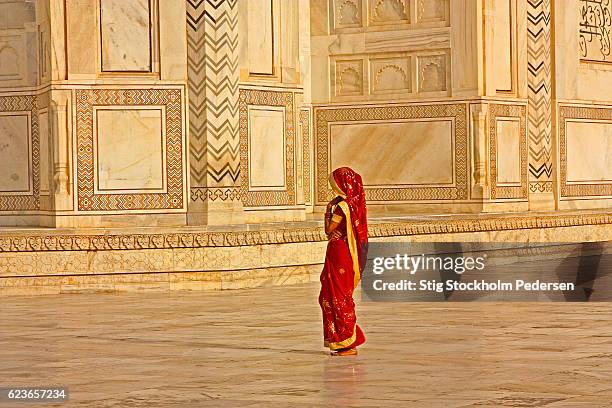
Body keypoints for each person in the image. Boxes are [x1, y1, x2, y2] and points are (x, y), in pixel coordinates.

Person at [319, 167, 368, 356]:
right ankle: (345, 340)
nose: (333, 189)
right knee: (338, 296)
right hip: (344, 254)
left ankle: (347, 342)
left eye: (334, 185)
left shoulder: (341, 207)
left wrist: (327, 211)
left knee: (336, 298)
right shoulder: (353, 206)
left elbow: (328, 230)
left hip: (339, 253)